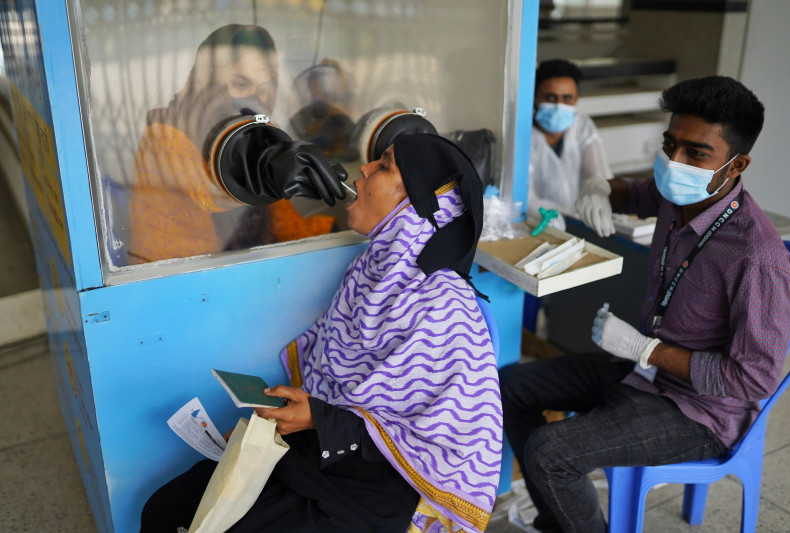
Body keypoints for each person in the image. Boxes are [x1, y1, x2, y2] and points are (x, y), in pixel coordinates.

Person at [140, 133, 504, 533]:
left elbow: (437, 441)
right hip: (325, 447)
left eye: (384, 166)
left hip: (385, 483)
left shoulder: (442, 304)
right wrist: (287, 420)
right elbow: (337, 381)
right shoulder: (370, 271)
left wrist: (319, 418)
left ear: (419, 202)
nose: (364, 169)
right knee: (165, 508)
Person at [501, 75, 790, 533]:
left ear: (736, 165)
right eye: (669, 144)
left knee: (549, 452)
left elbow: (753, 378)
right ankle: (562, 521)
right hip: (640, 372)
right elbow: (633, 192)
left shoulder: (757, 258)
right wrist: (599, 186)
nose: (674, 161)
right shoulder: (677, 197)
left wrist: (646, 350)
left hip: (699, 411)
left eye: (696, 153)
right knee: (507, 388)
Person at [127, 24, 340, 265]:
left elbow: (282, 221)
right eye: (240, 84)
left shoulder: (251, 138)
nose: (255, 99)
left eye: (264, 90)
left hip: (233, 272)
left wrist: (336, 229)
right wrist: (270, 170)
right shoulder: (165, 132)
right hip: (168, 281)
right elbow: (208, 193)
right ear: (208, 84)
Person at [527, 59, 613, 223]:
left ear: (576, 100)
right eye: (550, 98)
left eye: (567, 98)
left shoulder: (581, 125)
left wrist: (601, 203)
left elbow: (601, 178)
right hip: (537, 223)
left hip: (580, 220)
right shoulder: (524, 135)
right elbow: (526, 200)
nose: (559, 106)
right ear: (536, 98)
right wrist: (570, 215)